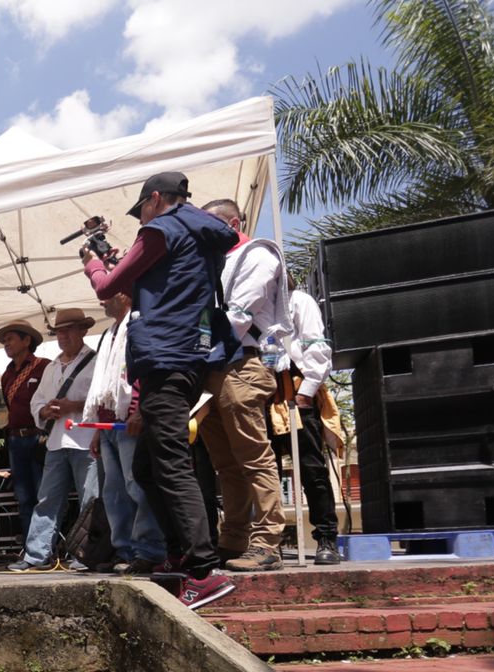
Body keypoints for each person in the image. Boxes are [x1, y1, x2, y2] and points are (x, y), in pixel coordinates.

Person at [81, 171, 241, 609]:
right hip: (189, 356)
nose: (141, 219)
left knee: (170, 463)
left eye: (142, 210)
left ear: (155, 199)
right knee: (150, 468)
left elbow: (108, 288)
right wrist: (119, 259)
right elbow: (151, 285)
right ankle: (176, 552)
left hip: (165, 358)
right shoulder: (202, 236)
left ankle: (203, 571)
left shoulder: (161, 229)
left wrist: (93, 263)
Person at [197, 198, 288, 572]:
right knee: (226, 465)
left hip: (243, 364)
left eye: (212, 226)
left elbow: (237, 315)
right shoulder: (215, 263)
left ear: (234, 223)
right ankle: (233, 539)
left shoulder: (258, 255)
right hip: (213, 368)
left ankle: (267, 543)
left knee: (253, 457)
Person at [10, 309, 99, 572]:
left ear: (83, 331)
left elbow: (104, 398)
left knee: (91, 500)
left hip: (86, 439)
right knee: (47, 499)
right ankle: (36, 555)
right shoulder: (51, 367)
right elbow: (37, 401)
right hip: (57, 441)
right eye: (60, 331)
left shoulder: (96, 361)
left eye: (69, 329)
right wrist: (44, 411)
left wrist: (74, 405)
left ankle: (86, 555)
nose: (63, 335)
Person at [84, 291, 166, 573]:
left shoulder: (139, 325)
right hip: (108, 421)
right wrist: (96, 428)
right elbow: (104, 381)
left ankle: (149, 549)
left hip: (129, 418)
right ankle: (125, 550)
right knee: (114, 492)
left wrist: (141, 410)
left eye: (106, 296)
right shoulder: (108, 333)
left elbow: (147, 371)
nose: (101, 302)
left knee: (137, 486)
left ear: (124, 295)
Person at [276, 279, 342, 564]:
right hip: (266, 393)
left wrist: (306, 392)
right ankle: (268, 542)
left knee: (312, 469)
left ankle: (326, 537)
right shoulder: (258, 305)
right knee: (266, 471)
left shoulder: (298, 301)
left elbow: (316, 346)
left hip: (296, 391)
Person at [0, 320, 50, 539]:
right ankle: (31, 549)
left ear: (27, 340)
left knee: (43, 495)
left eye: (10, 339)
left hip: (38, 438)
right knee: (23, 497)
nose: (6, 344)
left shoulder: (45, 366)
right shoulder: (6, 375)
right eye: (4, 340)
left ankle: (46, 549)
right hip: (16, 441)